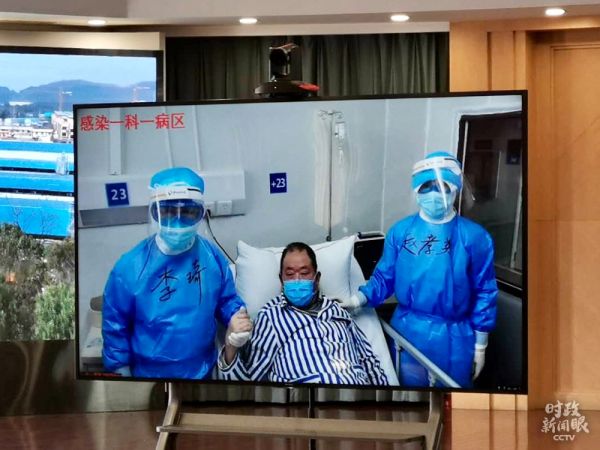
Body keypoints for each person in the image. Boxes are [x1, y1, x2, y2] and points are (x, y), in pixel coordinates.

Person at [341, 151, 498, 388]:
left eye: (441, 186)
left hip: (455, 335)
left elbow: (485, 290)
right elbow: (385, 277)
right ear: (416, 190)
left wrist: (480, 344)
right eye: (426, 187)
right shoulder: (401, 232)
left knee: (451, 399)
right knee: (410, 396)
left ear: (455, 190)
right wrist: (357, 300)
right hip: (408, 329)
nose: (434, 194)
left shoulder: (474, 237)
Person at [102, 167, 250, 379]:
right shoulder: (129, 268)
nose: (178, 220)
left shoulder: (212, 257)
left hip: (203, 370)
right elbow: (115, 325)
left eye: (188, 212)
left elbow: (226, 299)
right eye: (169, 211)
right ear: (155, 213)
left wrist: (237, 318)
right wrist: (120, 369)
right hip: (149, 375)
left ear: (200, 213)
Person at [219, 242, 389, 385]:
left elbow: (369, 362)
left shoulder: (339, 312)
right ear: (281, 280)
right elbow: (246, 383)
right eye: (290, 274)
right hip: (307, 405)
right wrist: (231, 346)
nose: (297, 279)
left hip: (358, 399)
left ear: (317, 279)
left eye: (305, 273)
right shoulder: (272, 317)